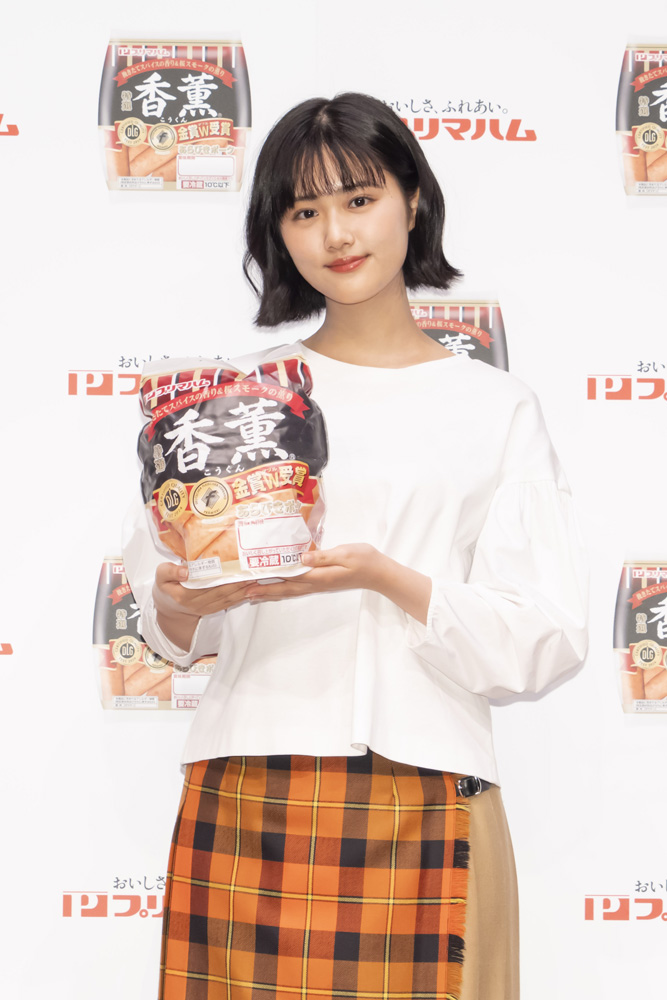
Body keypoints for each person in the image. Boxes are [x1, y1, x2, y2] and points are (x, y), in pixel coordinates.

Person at [123, 92, 588, 1000]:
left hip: (428, 784)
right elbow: (166, 617)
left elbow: (543, 635)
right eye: (303, 211)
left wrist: (387, 578)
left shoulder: (495, 407)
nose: (335, 232)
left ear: (412, 200)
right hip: (250, 782)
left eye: (359, 198)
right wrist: (184, 602)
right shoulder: (231, 400)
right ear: (277, 234)